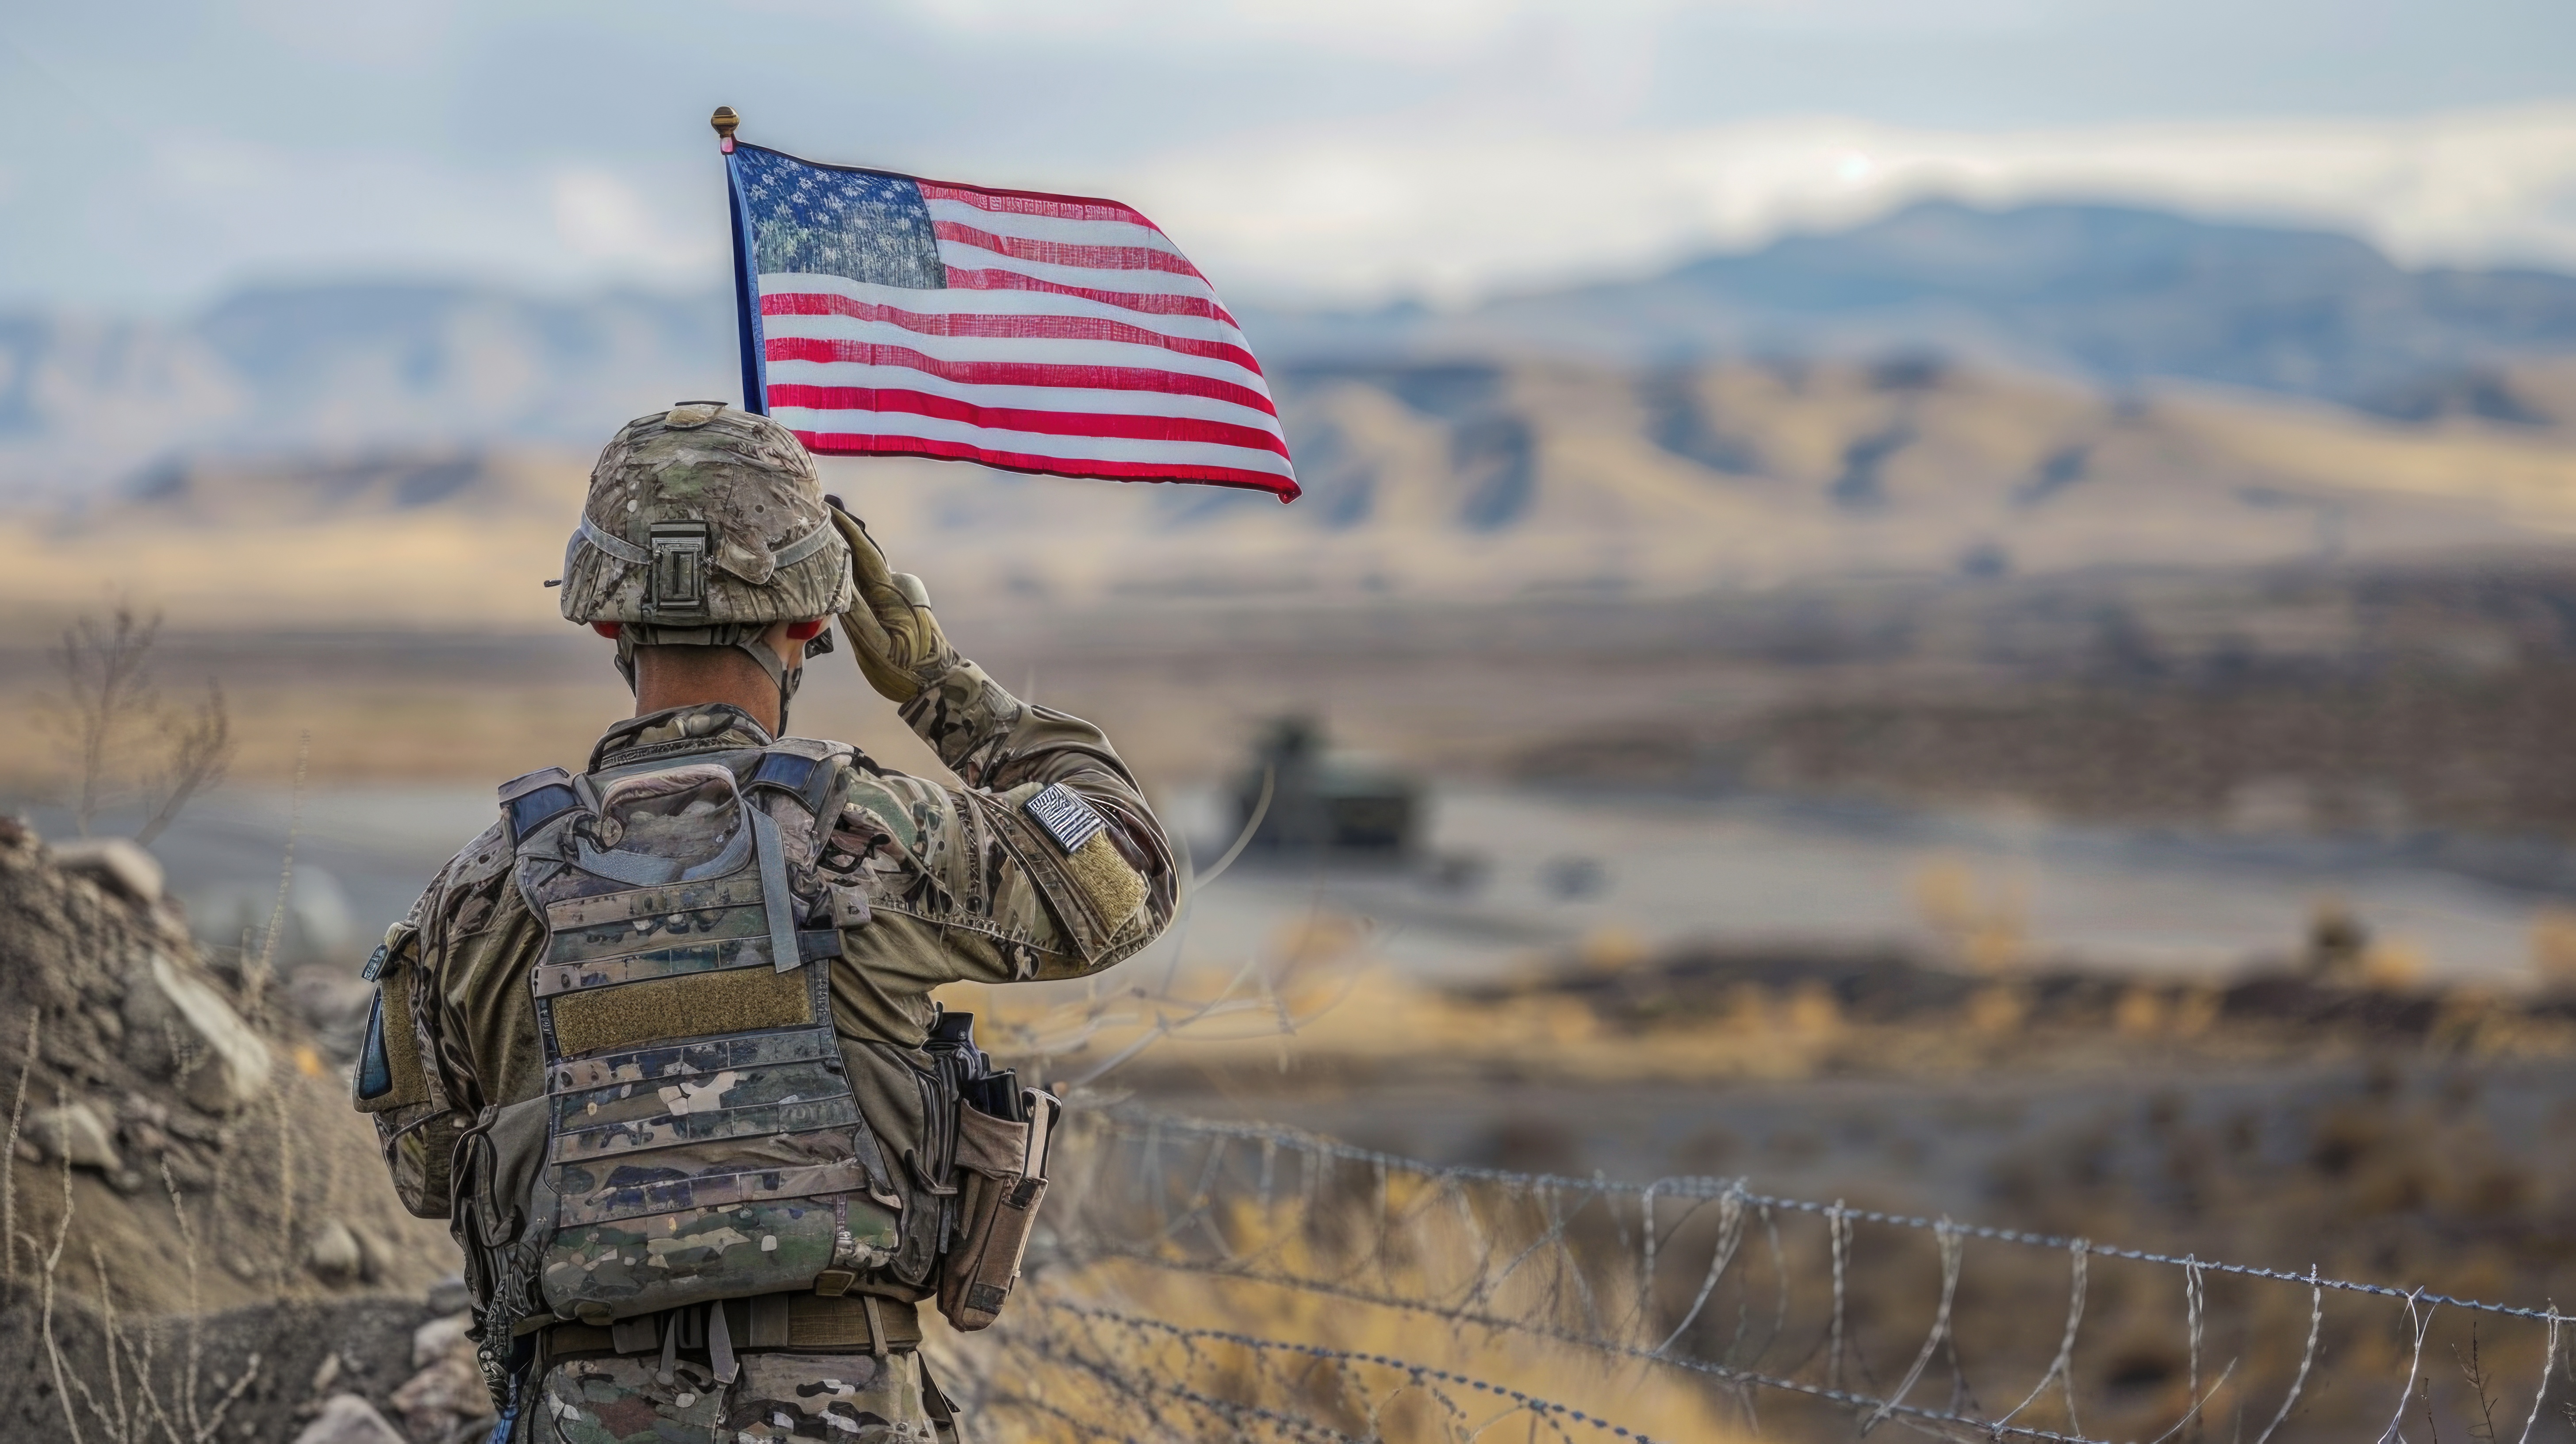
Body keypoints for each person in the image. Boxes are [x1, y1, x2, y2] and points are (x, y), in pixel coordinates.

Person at [351, 401, 1177, 1443]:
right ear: (809, 625)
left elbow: (430, 1176)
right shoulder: (875, 839)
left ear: (605, 620)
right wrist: (938, 682)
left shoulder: (478, 895)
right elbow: (1128, 877)